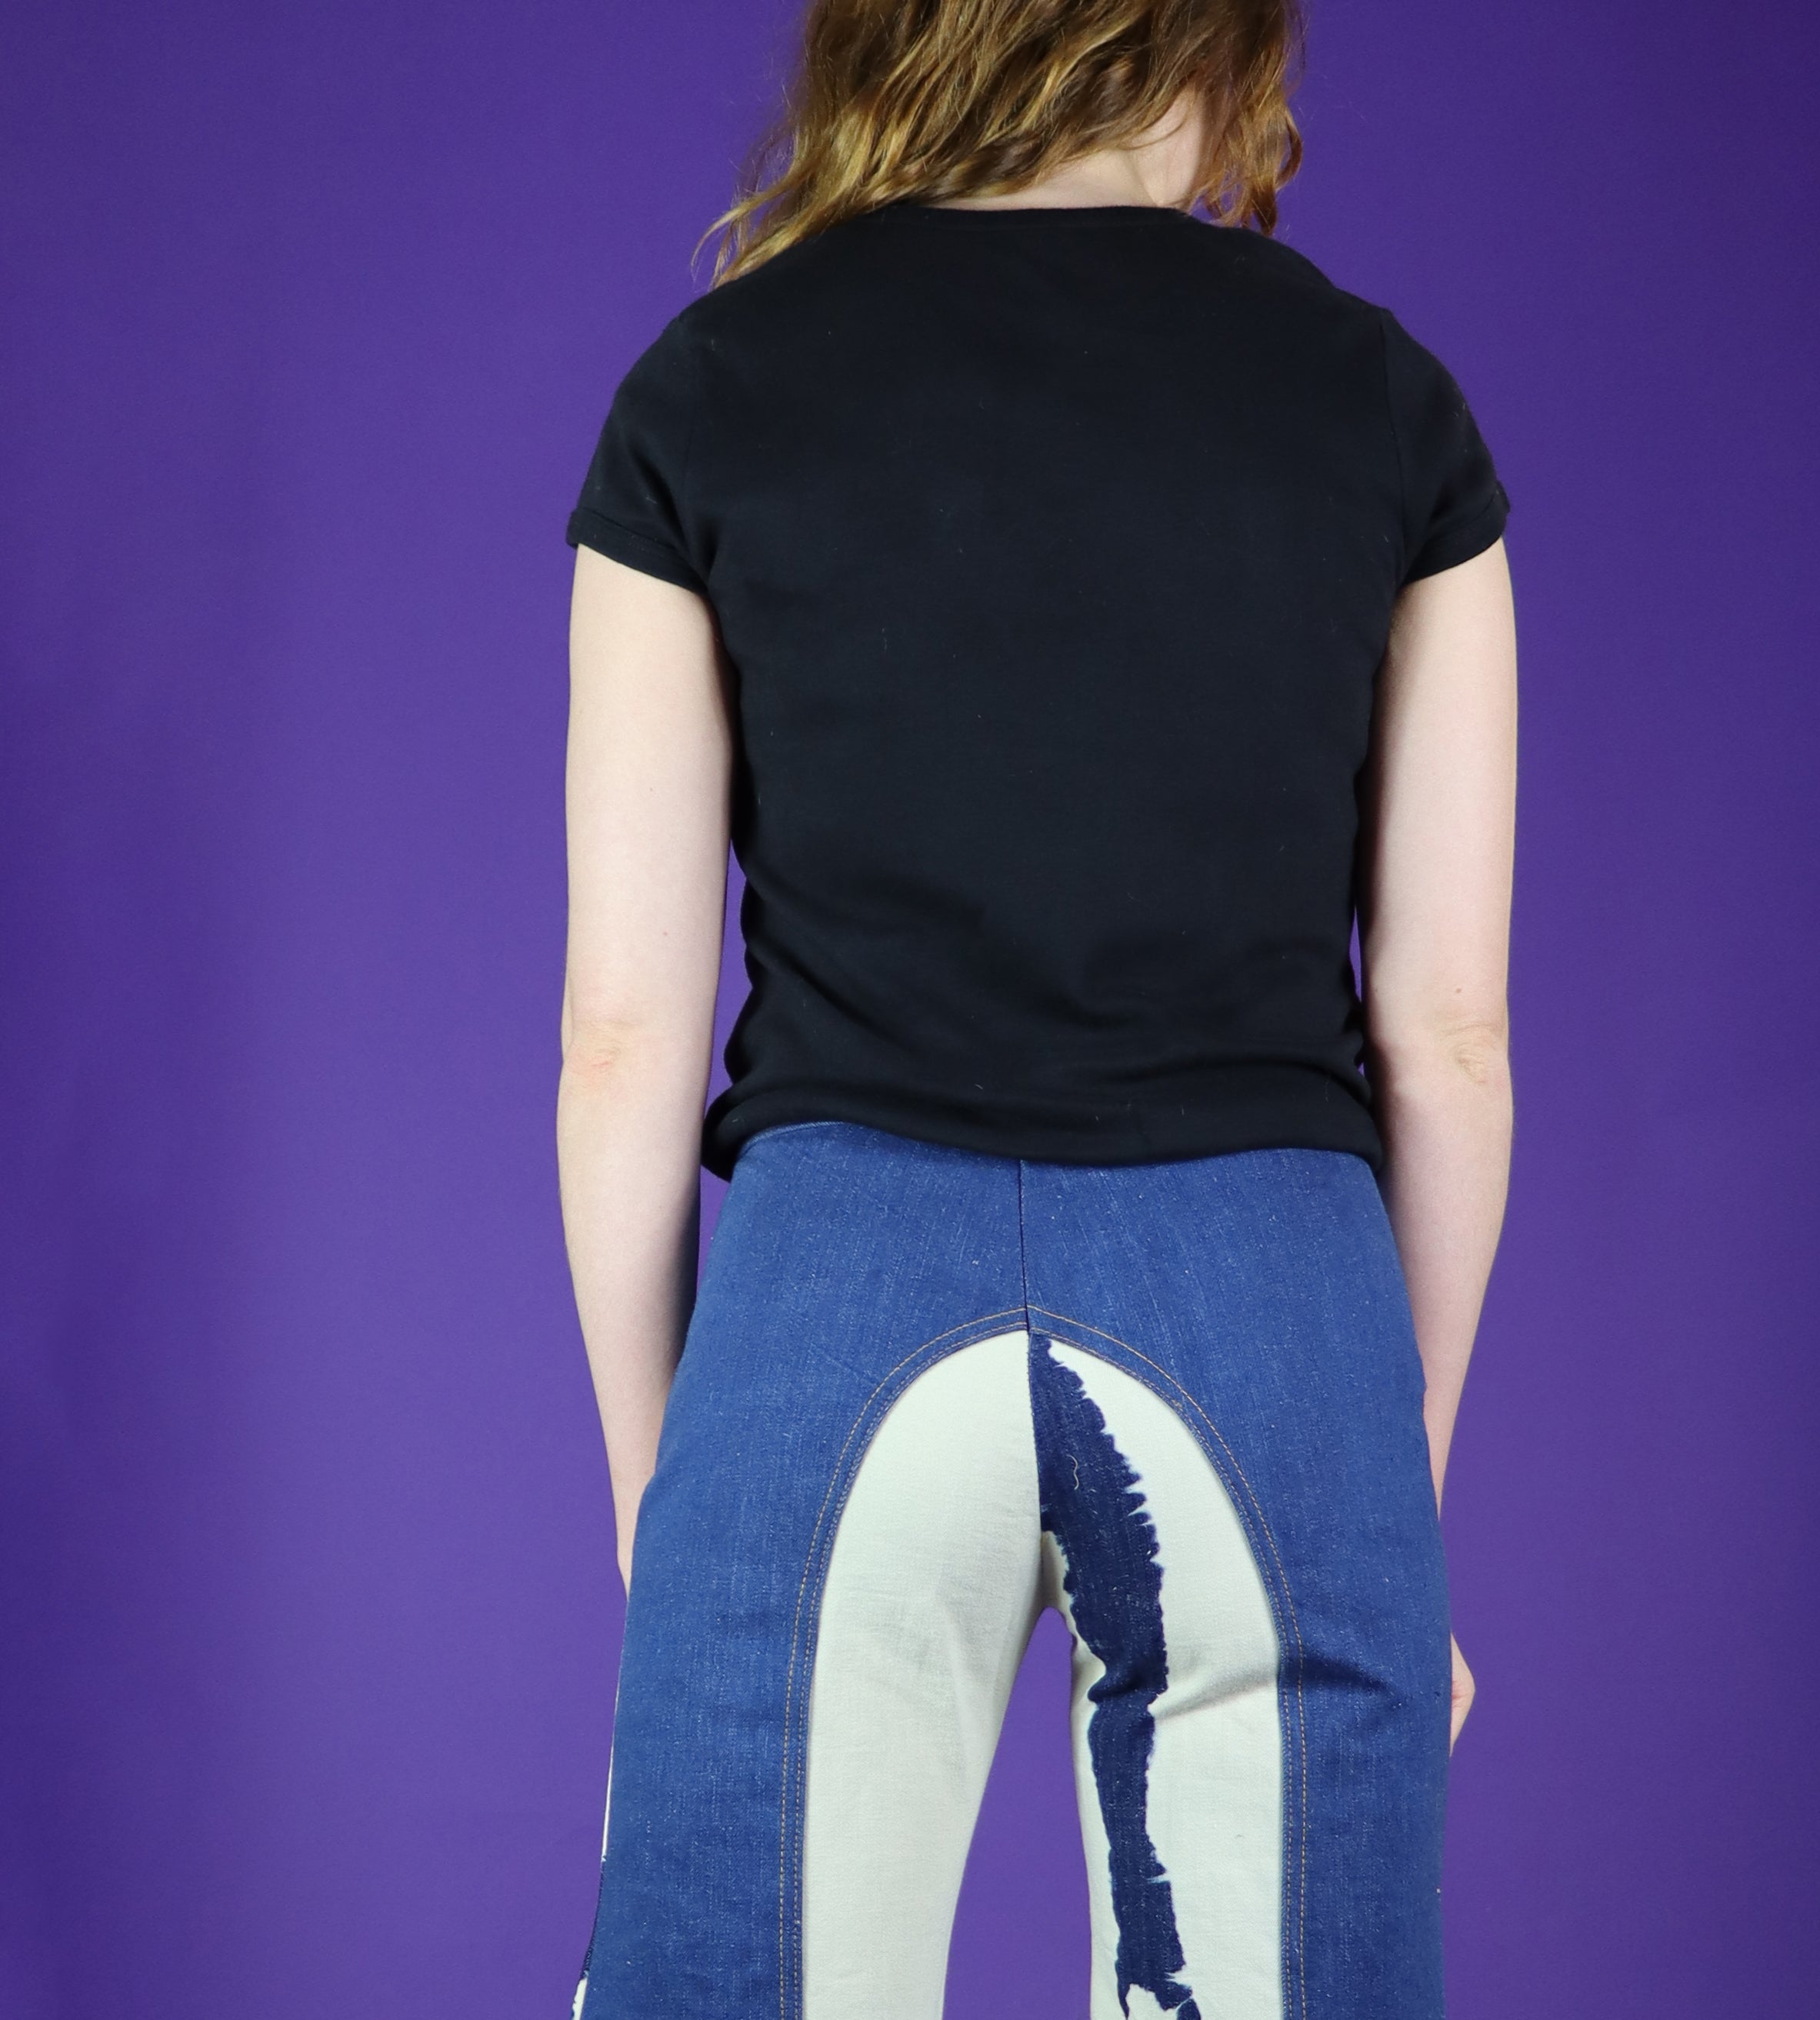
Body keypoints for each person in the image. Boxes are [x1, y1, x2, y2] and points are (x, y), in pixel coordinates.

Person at [555, 0, 1515, 2013]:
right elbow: (1446, 1037)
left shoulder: (712, 387)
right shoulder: (1382, 401)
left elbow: (621, 1038)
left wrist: (669, 1496)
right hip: (1269, 1304)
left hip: (835, 1303)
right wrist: (1393, 1485)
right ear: (1219, 51)